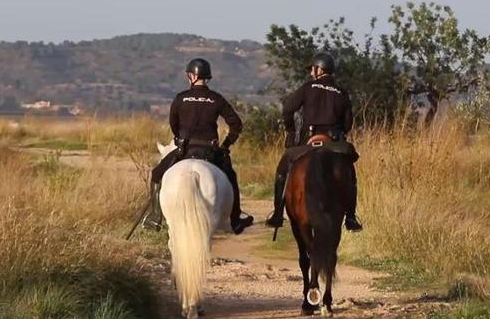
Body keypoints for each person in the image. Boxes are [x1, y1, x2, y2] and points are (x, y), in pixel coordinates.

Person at [142, 58, 254, 234]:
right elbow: (236, 124)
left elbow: (174, 123)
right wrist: (225, 145)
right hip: (210, 151)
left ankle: (155, 217)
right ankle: (235, 219)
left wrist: (180, 138)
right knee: (231, 177)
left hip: (185, 150)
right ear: (206, 77)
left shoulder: (181, 98)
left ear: (192, 76)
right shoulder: (216, 99)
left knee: (156, 174)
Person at [265, 52, 363, 232]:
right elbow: (348, 123)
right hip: (334, 142)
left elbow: (288, 109)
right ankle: (350, 216)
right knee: (350, 174)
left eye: (312, 69)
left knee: (283, 170)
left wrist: (291, 131)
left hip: (308, 141)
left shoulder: (308, 87)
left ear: (319, 69)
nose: (311, 73)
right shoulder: (342, 92)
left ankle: (278, 213)